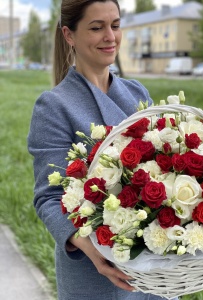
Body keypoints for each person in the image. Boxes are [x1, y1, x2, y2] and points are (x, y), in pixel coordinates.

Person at [28, 1, 178, 299]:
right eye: (97, 28)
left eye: (116, 25)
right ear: (69, 35)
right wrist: (94, 251)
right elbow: (48, 198)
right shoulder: (54, 106)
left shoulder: (137, 93)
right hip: (95, 273)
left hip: (154, 268)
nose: (110, 36)